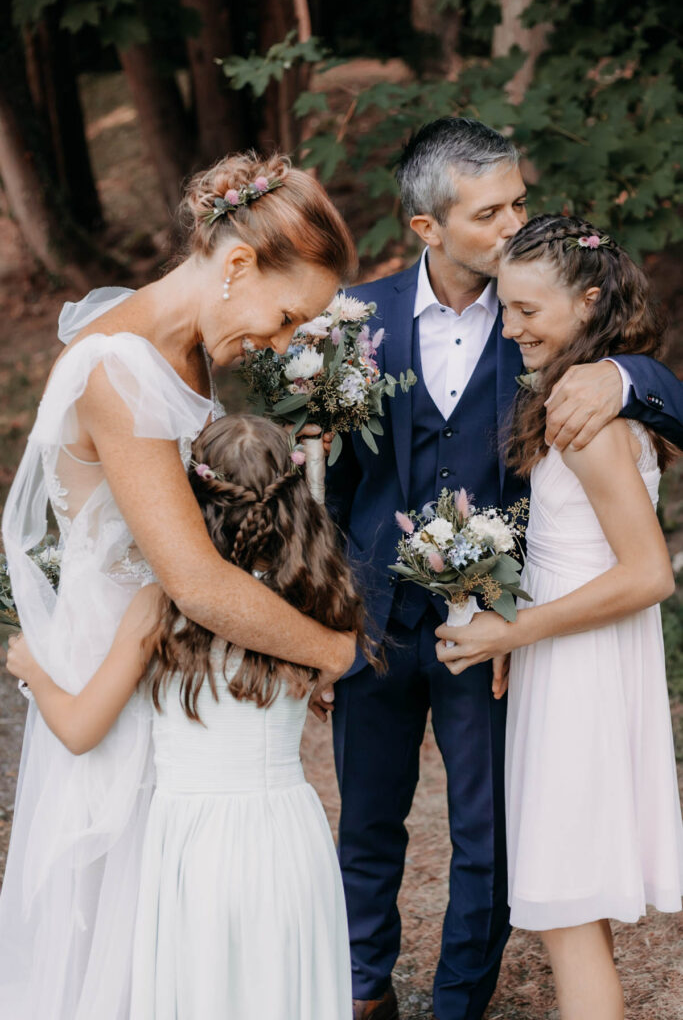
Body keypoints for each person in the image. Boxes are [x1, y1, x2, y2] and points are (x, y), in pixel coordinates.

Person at [322, 119, 683, 1020]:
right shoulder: (352, 320)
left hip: (496, 629)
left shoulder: (543, 325)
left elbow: (638, 375)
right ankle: (363, 993)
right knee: (366, 822)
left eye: (520, 201)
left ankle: (458, 1004)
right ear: (427, 228)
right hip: (373, 616)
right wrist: (323, 608)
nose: (515, 220)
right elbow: (324, 482)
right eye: (492, 211)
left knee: (489, 838)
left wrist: (630, 379)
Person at [0, 152, 358, 1020]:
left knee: (184, 943)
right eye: (283, 317)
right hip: (124, 674)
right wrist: (331, 652)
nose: (279, 342)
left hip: (178, 672)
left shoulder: (184, 351)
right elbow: (193, 578)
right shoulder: (119, 370)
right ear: (235, 264)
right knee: (124, 944)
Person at [7, 413, 377, 1020]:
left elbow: (78, 730)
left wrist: (36, 672)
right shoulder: (317, 594)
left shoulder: (159, 605)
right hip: (289, 836)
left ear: (190, 500)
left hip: (194, 847)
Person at [437, 214, 683, 1019]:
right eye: (503, 309)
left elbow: (648, 574)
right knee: (573, 918)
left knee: (569, 923)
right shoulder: (574, 400)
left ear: (585, 303)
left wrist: (510, 631)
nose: (509, 329)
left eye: (527, 312)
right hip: (571, 664)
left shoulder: (589, 421)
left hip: (579, 682)